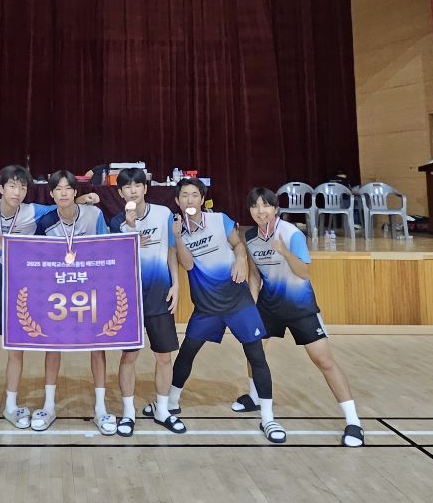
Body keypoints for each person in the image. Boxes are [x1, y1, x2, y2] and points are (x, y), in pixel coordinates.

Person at [152, 177, 286, 444]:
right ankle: (172, 402)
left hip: (238, 302)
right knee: (187, 352)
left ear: (202, 199)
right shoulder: (175, 228)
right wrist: (177, 236)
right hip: (207, 307)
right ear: (177, 201)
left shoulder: (219, 220)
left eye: (194, 194)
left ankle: (268, 418)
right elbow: (188, 265)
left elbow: (238, 244)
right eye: (184, 196)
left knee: (256, 356)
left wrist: (240, 258)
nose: (190, 199)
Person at [0, 165, 99, 432]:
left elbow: (59, 207)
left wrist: (84, 198)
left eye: (22, 187)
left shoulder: (33, 212)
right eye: (12, 186)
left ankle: (10, 405)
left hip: (17, 289)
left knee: (16, 349)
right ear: (1, 188)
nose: (17, 192)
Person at [237, 187, 364, 446]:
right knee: (254, 352)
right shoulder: (250, 237)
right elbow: (255, 275)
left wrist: (285, 252)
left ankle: (354, 422)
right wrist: (251, 306)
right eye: (255, 206)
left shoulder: (292, 234)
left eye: (265, 205)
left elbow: (305, 272)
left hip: (300, 307)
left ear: (275, 209)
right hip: (268, 306)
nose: (260, 211)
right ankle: (254, 396)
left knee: (324, 361)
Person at [33, 169, 111, 434]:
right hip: (57, 294)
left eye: (68, 188)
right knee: (52, 347)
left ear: (75, 192)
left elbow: (106, 249)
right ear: (51, 194)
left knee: (97, 347)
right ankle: (49, 406)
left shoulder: (95, 215)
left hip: (90, 292)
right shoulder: (45, 222)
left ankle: (101, 408)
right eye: (58, 189)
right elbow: (37, 259)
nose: (63, 193)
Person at [108, 168, 184, 436]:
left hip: (160, 294)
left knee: (164, 356)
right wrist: (129, 231)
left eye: (137, 185)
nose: (133, 190)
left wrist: (176, 284)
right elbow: (114, 261)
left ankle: (162, 409)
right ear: (120, 193)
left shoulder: (163, 214)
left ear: (145, 188)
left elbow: (171, 250)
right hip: (129, 300)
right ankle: (128, 412)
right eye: (127, 187)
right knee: (129, 356)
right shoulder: (116, 222)